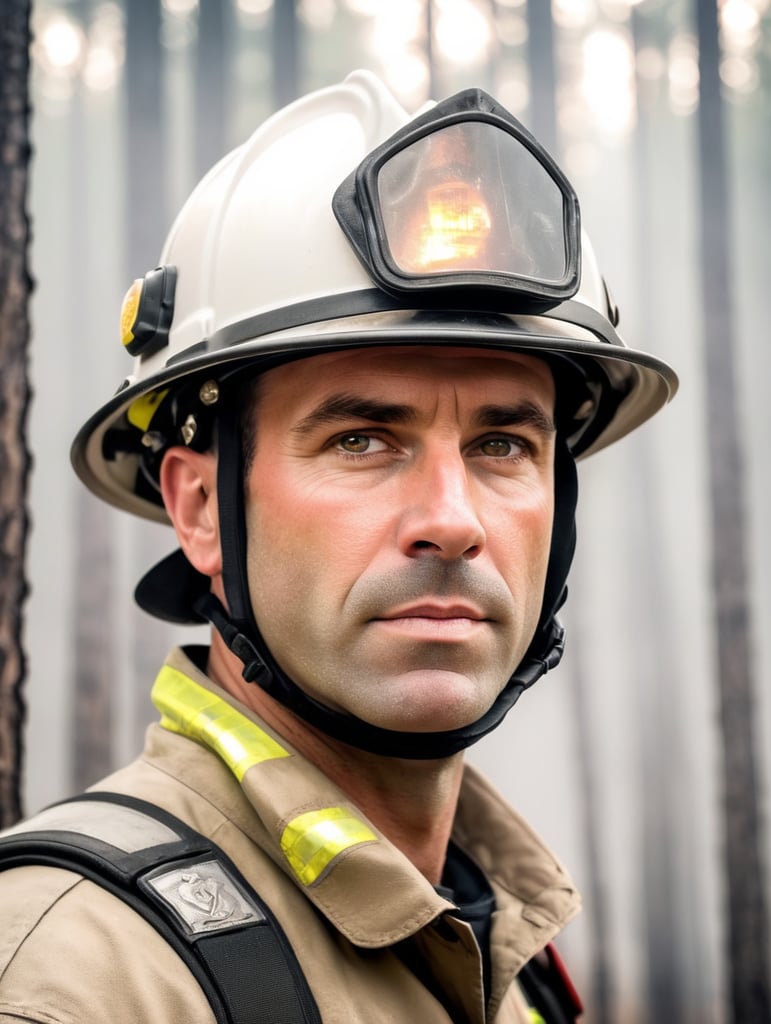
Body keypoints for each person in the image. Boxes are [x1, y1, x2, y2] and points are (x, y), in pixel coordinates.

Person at [0, 71, 677, 1023]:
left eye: (502, 444)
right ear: (199, 509)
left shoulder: (500, 944)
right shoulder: (78, 974)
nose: (453, 520)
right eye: (361, 440)